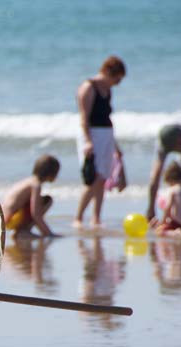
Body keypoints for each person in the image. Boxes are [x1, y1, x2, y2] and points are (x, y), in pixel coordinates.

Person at [74, 55, 127, 228]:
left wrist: (116, 146)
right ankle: (79, 217)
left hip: (106, 136)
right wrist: (88, 141)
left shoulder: (108, 90)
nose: (118, 82)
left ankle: (96, 218)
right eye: (117, 78)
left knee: (102, 179)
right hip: (92, 135)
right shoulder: (88, 87)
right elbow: (84, 118)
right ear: (109, 72)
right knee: (92, 179)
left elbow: (107, 118)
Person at [2, 154, 60, 238]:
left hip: (4, 219)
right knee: (48, 201)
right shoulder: (36, 185)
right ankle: (23, 231)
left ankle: (21, 231)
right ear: (51, 173)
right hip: (11, 219)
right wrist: (49, 233)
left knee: (40, 201)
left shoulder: (29, 181)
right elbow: (35, 214)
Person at [156, 162, 181, 237]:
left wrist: (163, 222)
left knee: (159, 231)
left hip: (177, 224)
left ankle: (176, 232)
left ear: (170, 179)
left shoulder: (173, 191)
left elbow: (167, 208)